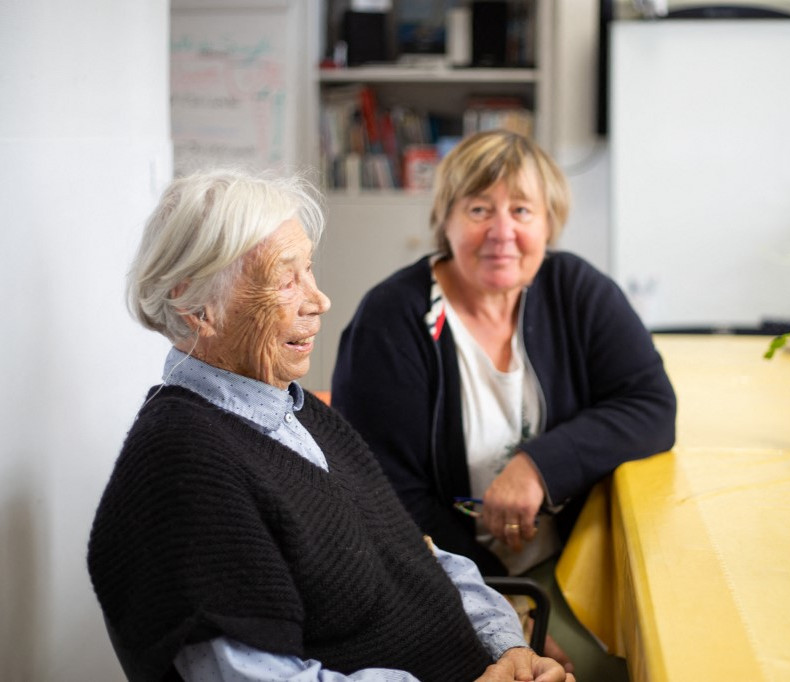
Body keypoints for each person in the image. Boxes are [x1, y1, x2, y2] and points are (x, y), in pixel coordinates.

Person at [87, 168, 573, 682]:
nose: (319, 301)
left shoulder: (296, 410)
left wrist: (508, 650)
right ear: (195, 308)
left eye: (310, 270)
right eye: (285, 278)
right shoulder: (182, 467)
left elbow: (422, 557)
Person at [330, 131, 677, 675]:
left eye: (521, 209)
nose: (502, 232)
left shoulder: (575, 290)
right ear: (444, 221)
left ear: (549, 222)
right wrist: (506, 613)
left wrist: (538, 467)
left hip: (570, 568)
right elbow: (387, 500)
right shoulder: (390, 321)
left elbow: (652, 405)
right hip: (439, 582)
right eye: (478, 209)